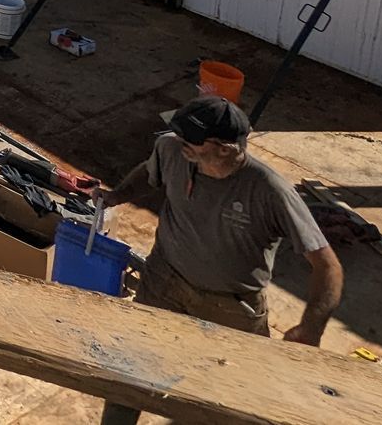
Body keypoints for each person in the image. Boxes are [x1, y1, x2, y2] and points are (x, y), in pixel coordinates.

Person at [95, 96, 342, 424]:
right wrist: (118, 194)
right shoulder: (172, 149)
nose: (179, 143)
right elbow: (152, 169)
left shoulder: (269, 191)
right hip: (163, 282)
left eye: (190, 140)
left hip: (230, 308)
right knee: (130, 367)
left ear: (224, 149)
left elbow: (328, 266)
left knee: (231, 398)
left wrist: (311, 328)